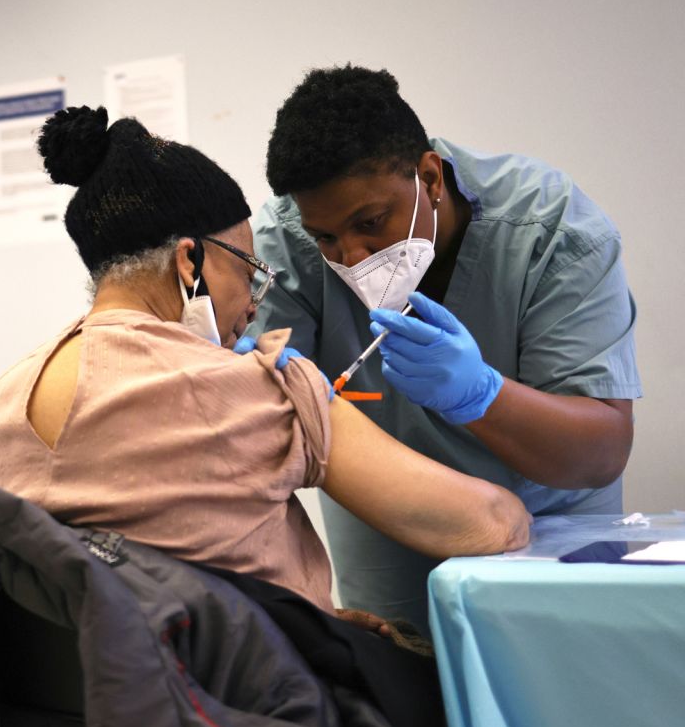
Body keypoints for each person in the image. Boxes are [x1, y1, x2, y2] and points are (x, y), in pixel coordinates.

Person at [0, 105, 530, 629]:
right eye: (247, 271)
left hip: (92, 708)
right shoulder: (252, 388)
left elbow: (136, 589)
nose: (253, 303)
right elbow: (490, 524)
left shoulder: (8, 398)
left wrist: (313, 616)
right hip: (249, 712)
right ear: (189, 260)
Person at [251, 64, 640, 631]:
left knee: (561, 689)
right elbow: (273, 405)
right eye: (328, 238)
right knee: (404, 686)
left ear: (430, 178)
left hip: (547, 521)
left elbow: (601, 452)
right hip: (390, 526)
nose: (352, 257)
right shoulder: (289, 241)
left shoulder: (553, 232)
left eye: (372, 222)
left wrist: (481, 396)